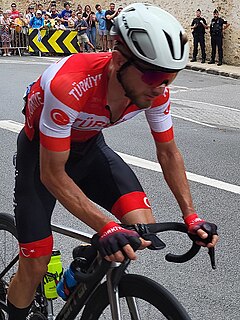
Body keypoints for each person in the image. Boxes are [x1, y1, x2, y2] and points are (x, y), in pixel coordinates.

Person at [7, 3, 218, 319]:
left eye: (170, 78)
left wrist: (191, 217)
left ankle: (79, 271)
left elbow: (168, 152)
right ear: (119, 60)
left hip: (90, 150)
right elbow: (52, 174)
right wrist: (105, 225)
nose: (161, 87)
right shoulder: (69, 84)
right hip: (42, 158)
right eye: (154, 75)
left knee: (140, 229)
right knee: (35, 262)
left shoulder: (154, 91)